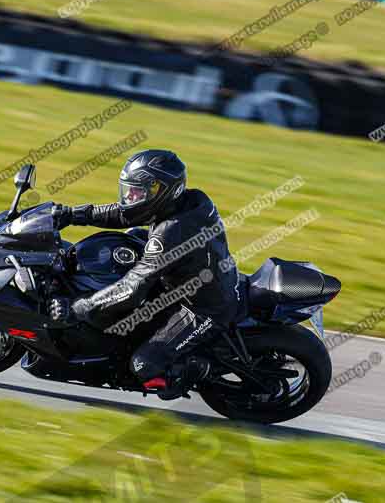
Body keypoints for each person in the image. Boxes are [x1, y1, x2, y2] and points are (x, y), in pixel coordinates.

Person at [49, 149, 245, 400]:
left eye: (138, 192)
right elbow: (125, 212)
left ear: (163, 191)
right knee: (129, 239)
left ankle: (196, 371)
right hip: (190, 277)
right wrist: (75, 215)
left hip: (203, 307)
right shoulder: (191, 200)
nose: (130, 197)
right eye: (129, 190)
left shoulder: (170, 233)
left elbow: (131, 289)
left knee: (144, 366)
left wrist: (79, 307)